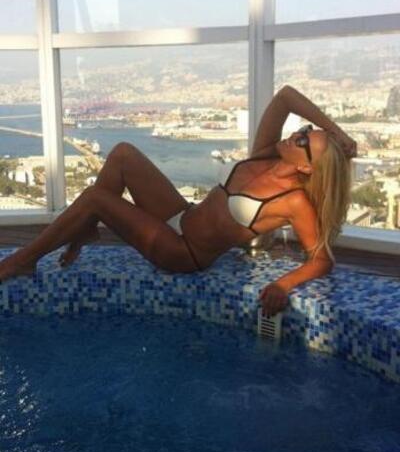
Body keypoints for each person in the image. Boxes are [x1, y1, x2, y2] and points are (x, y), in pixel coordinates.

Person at [0, 85, 356, 318]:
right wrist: (337, 132)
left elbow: (321, 259)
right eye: (304, 130)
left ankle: (23, 260)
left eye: (305, 141)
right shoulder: (266, 155)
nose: (297, 134)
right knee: (123, 153)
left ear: (307, 167)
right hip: (181, 214)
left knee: (96, 198)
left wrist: (283, 284)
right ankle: (85, 229)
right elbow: (285, 97)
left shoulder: (294, 201)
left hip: (183, 252)